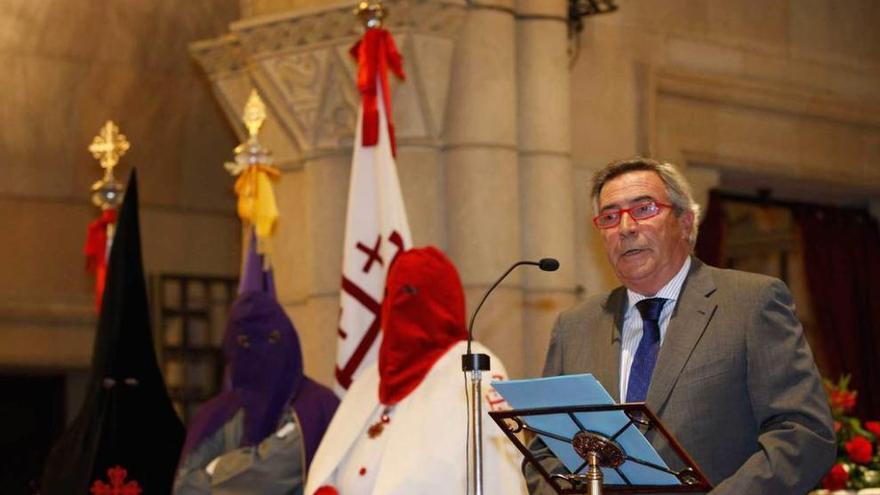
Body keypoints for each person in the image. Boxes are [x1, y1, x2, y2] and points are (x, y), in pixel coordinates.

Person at [525, 158, 836, 494]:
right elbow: (545, 450)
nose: (626, 227)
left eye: (643, 208)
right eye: (610, 217)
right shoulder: (575, 327)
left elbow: (803, 434)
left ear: (686, 222)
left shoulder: (750, 303)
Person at [305, 246, 527, 495]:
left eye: (411, 292)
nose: (399, 304)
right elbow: (327, 469)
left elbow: (500, 476)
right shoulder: (368, 381)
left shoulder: (477, 369)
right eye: (392, 293)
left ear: (443, 300)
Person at [174, 290, 339, 494]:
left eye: (272, 338)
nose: (259, 352)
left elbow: (271, 472)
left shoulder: (314, 407)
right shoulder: (217, 415)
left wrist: (214, 468)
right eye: (244, 342)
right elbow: (186, 485)